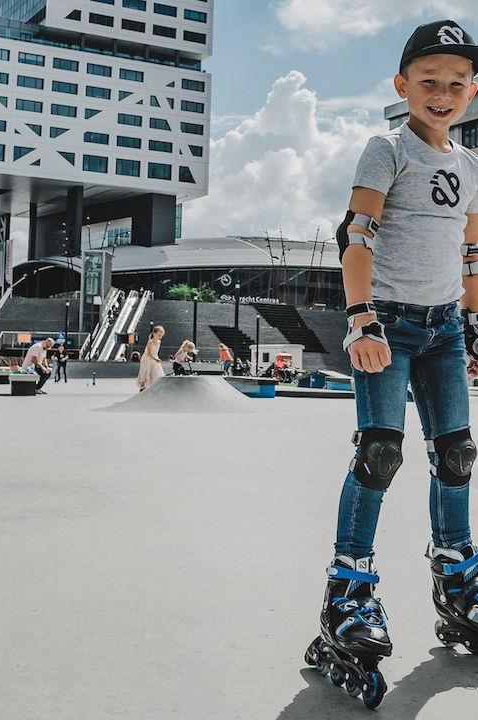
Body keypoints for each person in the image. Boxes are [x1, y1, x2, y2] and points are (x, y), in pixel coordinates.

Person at [305, 20, 478, 708]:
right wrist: (360, 318)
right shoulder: (387, 148)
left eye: (457, 83)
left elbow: (471, 255)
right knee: (379, 453)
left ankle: (459, 577)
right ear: (403, 86)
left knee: (457, 455)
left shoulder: (471, 165)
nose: (443, 93)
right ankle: (348, 592)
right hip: (388, 324)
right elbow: (357, 234)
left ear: (473, 91)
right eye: (429, 81)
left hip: (444, 330)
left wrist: (474, 324)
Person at [136, 325, 165, 391]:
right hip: (147, 358)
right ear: (154, 333)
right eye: (158, 335)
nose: (160, 337)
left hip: (154, 358)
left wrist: (157, 358)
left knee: (156, 373)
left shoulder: (159, 342)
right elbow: (149, 353)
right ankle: (142, 388)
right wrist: (155, 359)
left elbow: (156, 352)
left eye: (161, 336)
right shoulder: (150, 342)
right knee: (145, 373)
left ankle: (154, 387)